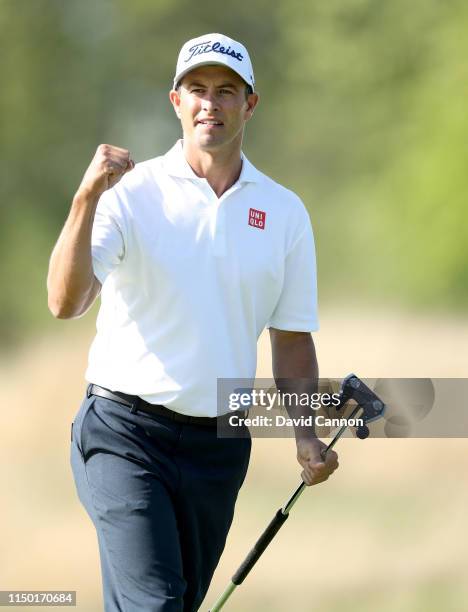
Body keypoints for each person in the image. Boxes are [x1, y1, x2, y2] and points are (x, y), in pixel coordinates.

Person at [47, 33, 339, 612]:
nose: (211, 103)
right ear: (175, 101)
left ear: (249, 105)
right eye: (198, 89)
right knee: (153, 604)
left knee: (168, 604)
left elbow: (292, 339)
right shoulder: (130, 193)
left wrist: (305, 432)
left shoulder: (283, 212)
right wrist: (84, 200)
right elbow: (64, 301)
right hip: (123, 433)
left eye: (227, 91)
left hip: (218, 447)